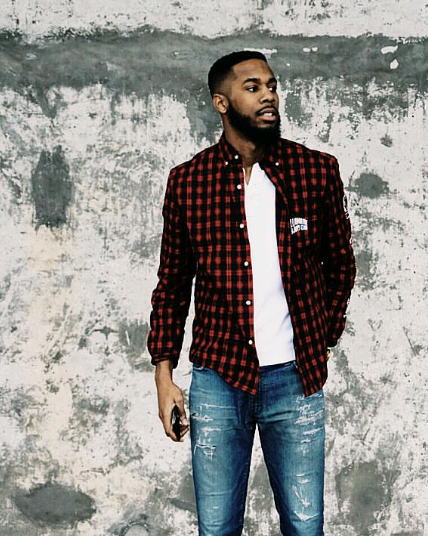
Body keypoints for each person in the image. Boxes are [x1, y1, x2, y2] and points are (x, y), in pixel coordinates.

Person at [147, 50, 356, 536]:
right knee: (217, 527)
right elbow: (172, 284)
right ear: (221, 102)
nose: (268, 96)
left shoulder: (314, 171)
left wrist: (322, 336)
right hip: (219, 378)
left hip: (295, 379)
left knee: (305, 525)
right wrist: (164, 377)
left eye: (272, 85)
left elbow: (340, 264)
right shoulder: (189, 182)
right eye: (253, 87)